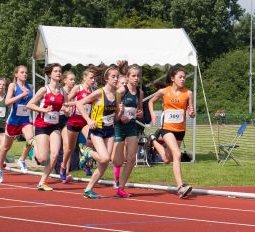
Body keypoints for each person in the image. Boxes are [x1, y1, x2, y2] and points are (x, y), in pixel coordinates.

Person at [148, 66, 195, 198]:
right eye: (180, 77)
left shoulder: (188, 93)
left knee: (167, 159)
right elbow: (151, 102)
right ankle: (180, 186)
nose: (183, 79)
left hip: (180, 130)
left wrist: (192, 113)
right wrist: (152, 114)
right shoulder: (164, 91)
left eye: (184, 77)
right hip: (167, 128)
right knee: (177, 154)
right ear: (173, 79)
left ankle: (152, 141)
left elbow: (192, 112)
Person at [75, 64, 120, 199]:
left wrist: (120, 113)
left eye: (117, 76)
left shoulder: (116, 95)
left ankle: (88, 189)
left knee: (106, 161)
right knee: (104, 157)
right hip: (97, 130)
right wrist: (88, 120)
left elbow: (115, 117)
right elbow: (79, 104)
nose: (116, 79)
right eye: (113, 77)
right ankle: (87, 151)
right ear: (106, 78)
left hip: (110, 131)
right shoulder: (99, 93)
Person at [27, 63, 71, 191]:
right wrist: (43, 110)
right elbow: (30, 105)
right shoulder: (44, 90)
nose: (58, 73)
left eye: (60, 71)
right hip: (42, 125)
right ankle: (33, 142)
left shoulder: (63, 91)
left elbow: (66, 106)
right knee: (42, 158)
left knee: (55, 154)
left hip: (54, 126)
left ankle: (42, 182)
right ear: (50, 74)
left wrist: (67, 110)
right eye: (56, 71)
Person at [0, 65, 34, 183]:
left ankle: (22, 159)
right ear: (16, 74)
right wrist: (21, 95)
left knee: (31, 139)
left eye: (26, 72)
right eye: (22, 72)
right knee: (5, 147)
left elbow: (32, 102)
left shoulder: (30, 87)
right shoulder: (13, 86)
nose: (25, 74)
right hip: (13, 121)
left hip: (25, 119)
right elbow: (7, 102)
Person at [113, 61, 144, 198]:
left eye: (138, 76)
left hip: (131, 126)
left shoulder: (140, 93)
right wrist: (120, 116)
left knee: (131, 158)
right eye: (133, 76)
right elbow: (110, 104)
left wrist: (139, 113)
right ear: (127, 77)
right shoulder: (121, 91)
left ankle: (121, 187)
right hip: (119, 126)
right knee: (118, 161)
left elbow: (140, 110)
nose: (136, 78)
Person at [63, 67, 97, 176]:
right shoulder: (78, 88)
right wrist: (75, 104)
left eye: (94, 78)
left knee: (91, 141)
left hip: (85, 122)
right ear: (84, 77)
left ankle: (86, 163)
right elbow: (66, 100)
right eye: (91, 78)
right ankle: (63, 167)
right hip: (74, 121)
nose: (93, 80)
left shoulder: (93, 92)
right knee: (70, 149)